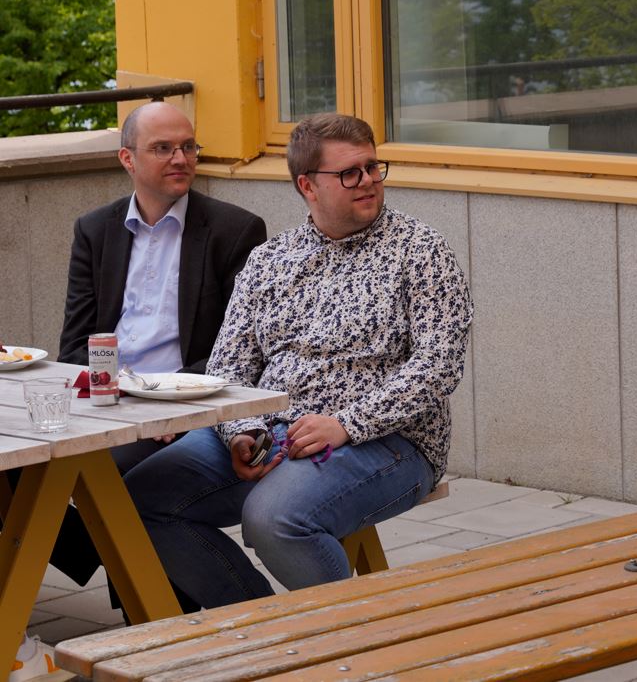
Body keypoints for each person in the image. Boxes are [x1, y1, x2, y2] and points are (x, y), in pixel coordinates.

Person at [123, 113, 471, 608]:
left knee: (276, 519)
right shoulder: (270, 260)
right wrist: (239, 432)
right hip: (271, 431)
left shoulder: (420, 250)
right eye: (349, 173)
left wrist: (347, 425)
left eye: (373, 167)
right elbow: (228, 366)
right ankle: (256, 625)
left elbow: (438, 366)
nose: (368, 180)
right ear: (307, 185)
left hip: (390, 440)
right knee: (137, 500)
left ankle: (354, 636)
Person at [35, 102, 265, 597]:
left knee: (112, 478)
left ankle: (150, 602)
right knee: (19, 470)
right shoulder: (95, 229)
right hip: (109, 398)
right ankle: (100, 552)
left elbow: (238, 348)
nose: (180, 158)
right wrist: (106, 396)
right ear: (128, 159)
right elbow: (74, 344)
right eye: (162, 148)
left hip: (181, 403)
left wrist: (169, 401)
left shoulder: (236, 230)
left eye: (188, 146)